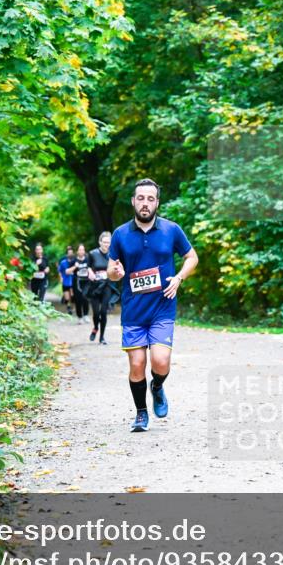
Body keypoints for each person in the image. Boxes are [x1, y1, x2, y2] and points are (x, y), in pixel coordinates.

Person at [108, 178, 198, 432]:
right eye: (140, 198)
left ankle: (157, 386)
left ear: (157, 202)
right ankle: (140, 414)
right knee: (137, 364)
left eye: (150, 198)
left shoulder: (171, 230)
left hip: (162, 307)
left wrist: (179, 277)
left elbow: (192, 257)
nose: (145, 203)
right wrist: (116, 272)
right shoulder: (120, 234)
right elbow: (111, 271)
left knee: (160, 361)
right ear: (133, 201)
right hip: (134, 311)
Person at [87, 232, 114, 345]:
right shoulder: (92, 254)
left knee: (103, 312)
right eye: (105, 242)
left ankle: (102, 337)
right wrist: (89, 272)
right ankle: (95, 327)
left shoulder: (113, 255)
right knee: (96, 313)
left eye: (108, 242)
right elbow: (88, 266)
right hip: (95, 286)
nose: (106, 244)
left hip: (106, 286)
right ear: (100, 242)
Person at [73, 243, 91, 323]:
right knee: (78, 300)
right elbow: (67, 271)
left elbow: (92, 268)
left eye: (82, 249)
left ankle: (86, 315)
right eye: (80, 249)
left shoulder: (87, 259)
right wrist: (75, 267)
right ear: (77, 251)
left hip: (86, 282)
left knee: (85, 298)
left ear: (84, 251)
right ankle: (79, 317)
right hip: (77, 282)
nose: (81, 251)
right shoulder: (74, 260)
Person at [58, 245, 76, 312]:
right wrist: (60, 278)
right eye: (69, 253)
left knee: (72, 295)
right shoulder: (63, 262)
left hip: (73, 281)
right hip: (65, 281)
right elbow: (60, 271)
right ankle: (68, 307)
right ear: (67, 254)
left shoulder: (75, 261)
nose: (70, 254)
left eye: (71, 253)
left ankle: (72, 306)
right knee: (67, 297)